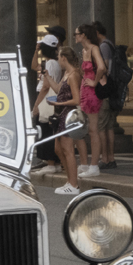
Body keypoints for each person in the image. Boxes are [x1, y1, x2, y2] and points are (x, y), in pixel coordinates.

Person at [46, 46, 83, 196]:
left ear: (64, 58)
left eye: (59, 57)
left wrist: (58, 104)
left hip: (68, 115)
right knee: (58, 149)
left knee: (68, 150)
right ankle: (69, 180)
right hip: (62, 115)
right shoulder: (66, 73)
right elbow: (57, 90)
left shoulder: (74, 75)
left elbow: (76, 99)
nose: (58, 60)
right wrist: (47, 77)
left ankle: (74, 184)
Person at [74, 24, 107, 178]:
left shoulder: (93, 48)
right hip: (85, 90)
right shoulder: (85, 50)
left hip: (91, 91)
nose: (75, 36)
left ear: (84, 35)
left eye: (77, 34)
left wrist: (94, 81)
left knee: (93, 129)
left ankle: (94, 165)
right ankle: (89, 164)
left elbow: (101, 67)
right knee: (89, 129)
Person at [30, 33, 63, 175]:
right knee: (50, 129)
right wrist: (36, 51)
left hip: (46, 97)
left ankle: (50, 162)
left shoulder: (50, 64)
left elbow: (45, 86)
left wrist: (36, 105)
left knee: (45, 129)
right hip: (52, 97)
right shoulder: (54, 62)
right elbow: (33, 66)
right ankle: (54, 162)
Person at [93, 20, 118, 169]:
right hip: (112, 90)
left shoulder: (102, 46)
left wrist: (95, 81)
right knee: (109, 127)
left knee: (101, 126)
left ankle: (105, 158)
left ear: (97, 33)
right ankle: (111, 157)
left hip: (105, 90)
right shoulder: (110, 44)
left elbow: (104, 68)